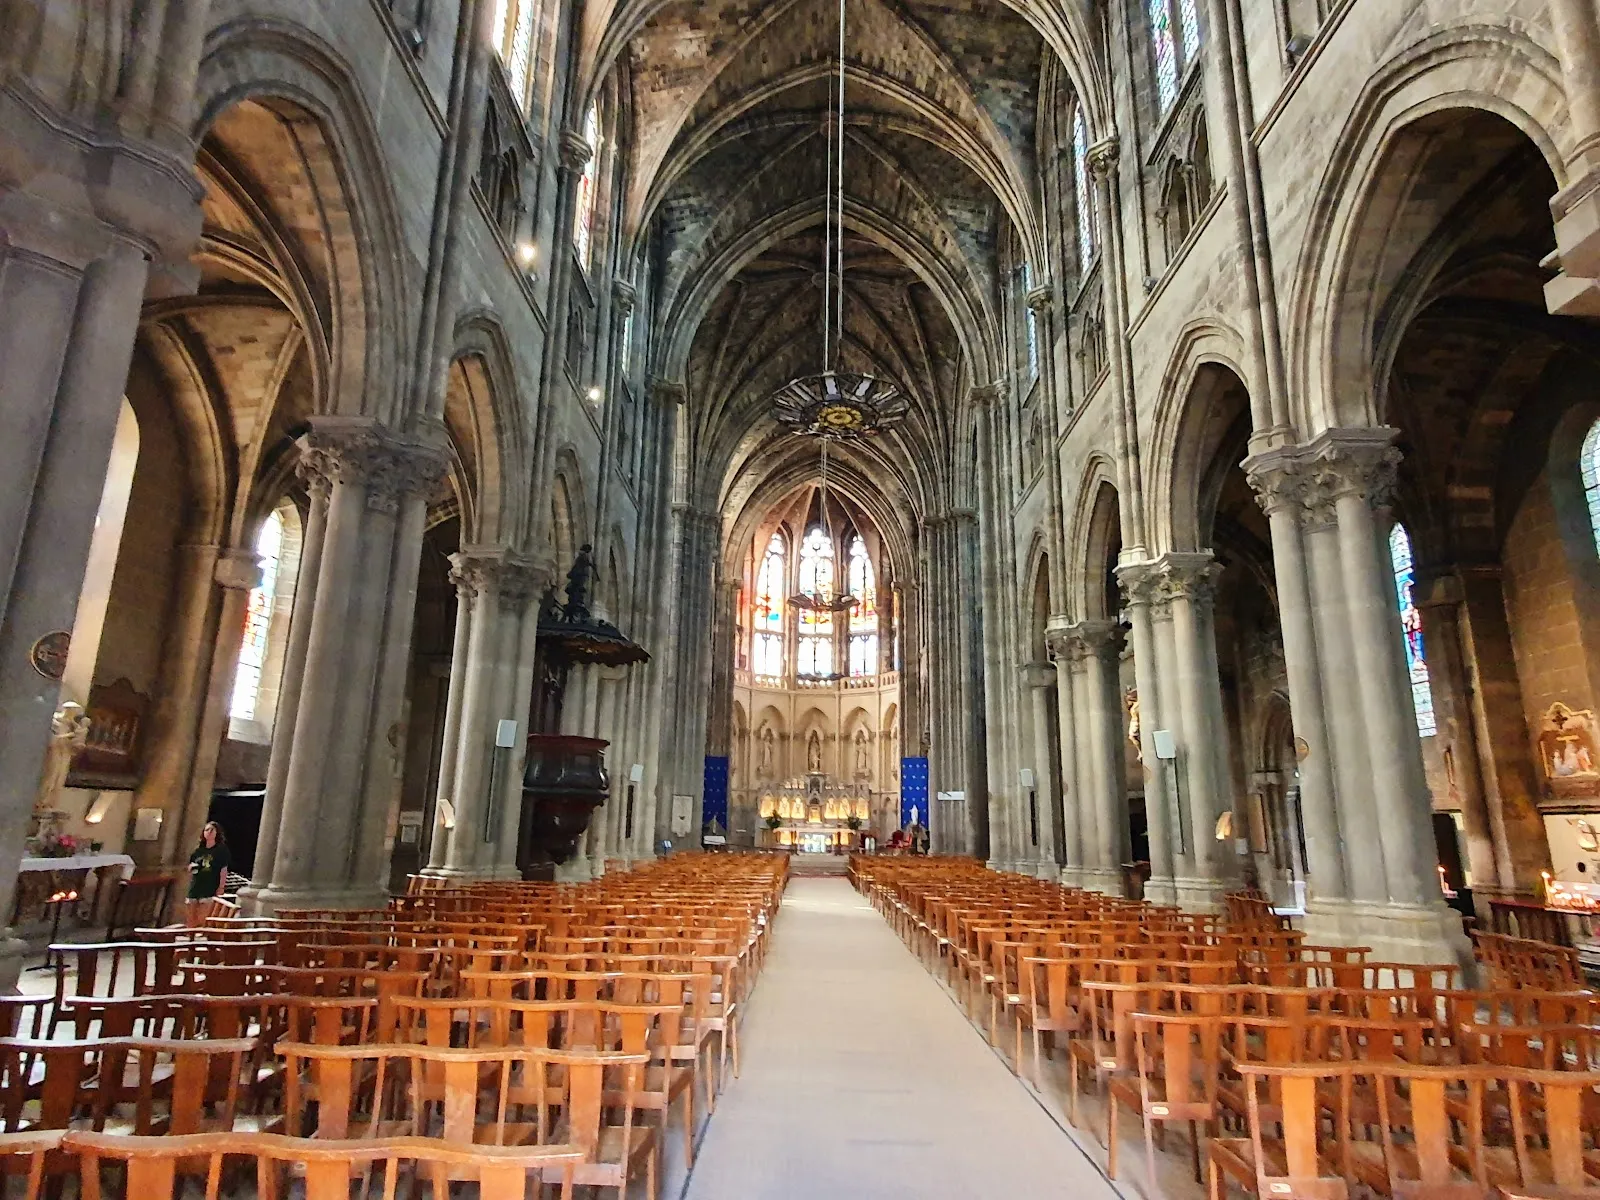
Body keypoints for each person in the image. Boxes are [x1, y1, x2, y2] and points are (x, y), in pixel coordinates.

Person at [186, 821, 231, 926]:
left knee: (203, 916)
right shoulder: (198, 851)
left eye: (212, 830)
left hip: (210, 886)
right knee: (190, 914)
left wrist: (221, 887)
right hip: (195, 885)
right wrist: (191, 868)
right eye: (207, 830)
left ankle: (199, 934)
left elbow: (223, 870)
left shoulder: (221, 850)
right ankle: (190, 934)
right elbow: (190, 865)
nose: (209, 832)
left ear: (217, 833)